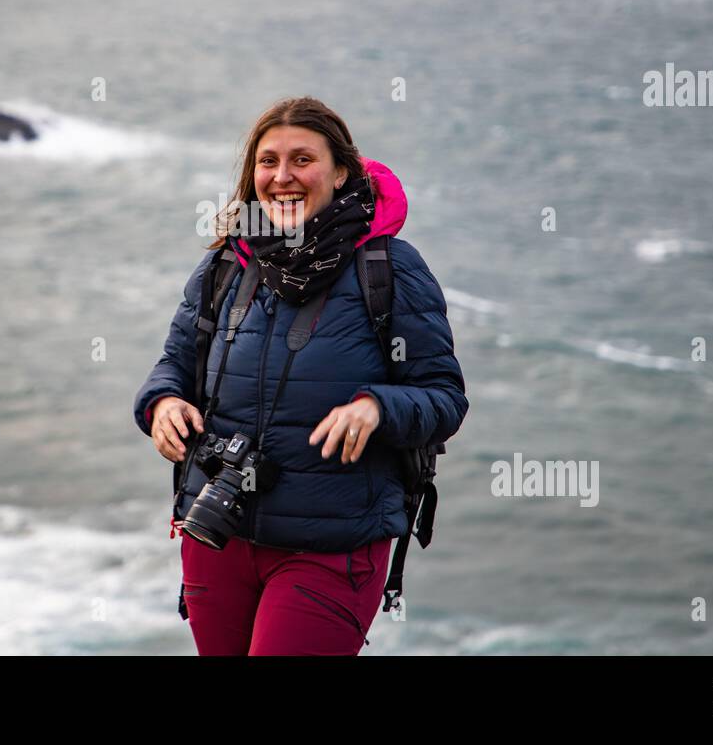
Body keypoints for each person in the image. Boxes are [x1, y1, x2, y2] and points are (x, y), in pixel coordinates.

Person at [133, 95, 469, 655]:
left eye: (302, 160)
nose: (282, 177)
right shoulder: (226, 265)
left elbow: (443, 398)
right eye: (268, 162)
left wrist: (378, 407)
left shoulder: (388, 267)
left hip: (332, 545)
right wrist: (162, 404)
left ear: (341, 172)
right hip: (218, 533)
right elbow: (173, 367)